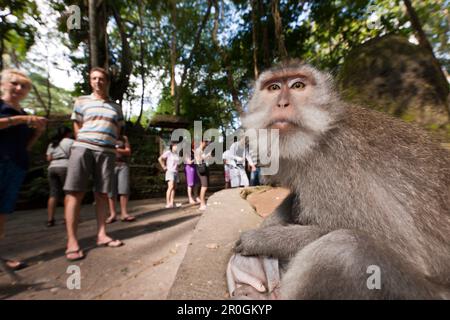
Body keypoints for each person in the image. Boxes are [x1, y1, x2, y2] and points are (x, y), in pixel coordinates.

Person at [63, 67, 125, 262]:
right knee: (74, 192)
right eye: (94, 78)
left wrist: (111, 146)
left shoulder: (116, 107)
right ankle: (72, 241)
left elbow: (118, 129)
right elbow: (77, 126)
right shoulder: (81, 101)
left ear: (107, 82)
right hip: (83, 148)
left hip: (106, 152)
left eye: (101, 79)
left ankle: (102, 234)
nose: (98, 81)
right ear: (90, 81)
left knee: (102, 194)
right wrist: (84, 141)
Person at [0, 69, 47, 270]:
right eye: (14, 83)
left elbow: (25, 145)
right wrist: (19, 120)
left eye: (24, 86)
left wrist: (38, 131)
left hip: (16, 164)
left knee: (2, 212)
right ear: (3, 84)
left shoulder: (23, 113)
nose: (19, 88)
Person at [46, 126, 74, 227]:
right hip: (64, 167)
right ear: (67, 133)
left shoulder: (52, 143)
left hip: (52, 168)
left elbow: (48, 158)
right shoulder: (70, 142)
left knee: (53, 194)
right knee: (68, 193)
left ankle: (50, 219)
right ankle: (67, 218)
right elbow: (74, 155)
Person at [106, 135, 136, 223]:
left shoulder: (124, 138)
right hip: (110, 165)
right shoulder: (108, 136)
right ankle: (112, 214)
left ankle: (124, 213)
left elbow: (128, 151)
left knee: (124, 189)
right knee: (111, 190)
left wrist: (115, 150)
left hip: (123, 165)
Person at [159, 142, 180, 208]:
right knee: (170, 187)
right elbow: (160, 159)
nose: (176, 147)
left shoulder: (177, 154)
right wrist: (163, 166)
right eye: (175, 146)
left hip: (176, 172)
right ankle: (168, 203)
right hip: (170, 171)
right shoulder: (168, 153)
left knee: (174, 188)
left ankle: (172, 202)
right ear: (172, 146)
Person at [194, 139, 211, 211]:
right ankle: (202, 204)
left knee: (205, 186)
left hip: (204, 168)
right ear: (201, 142)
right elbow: (198, 159)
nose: (207, 143)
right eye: (206, 142)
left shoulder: (202, 150)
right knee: (204, 187)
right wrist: (207, 156)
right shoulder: (198, 150)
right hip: (201, 170)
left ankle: (203, 203)